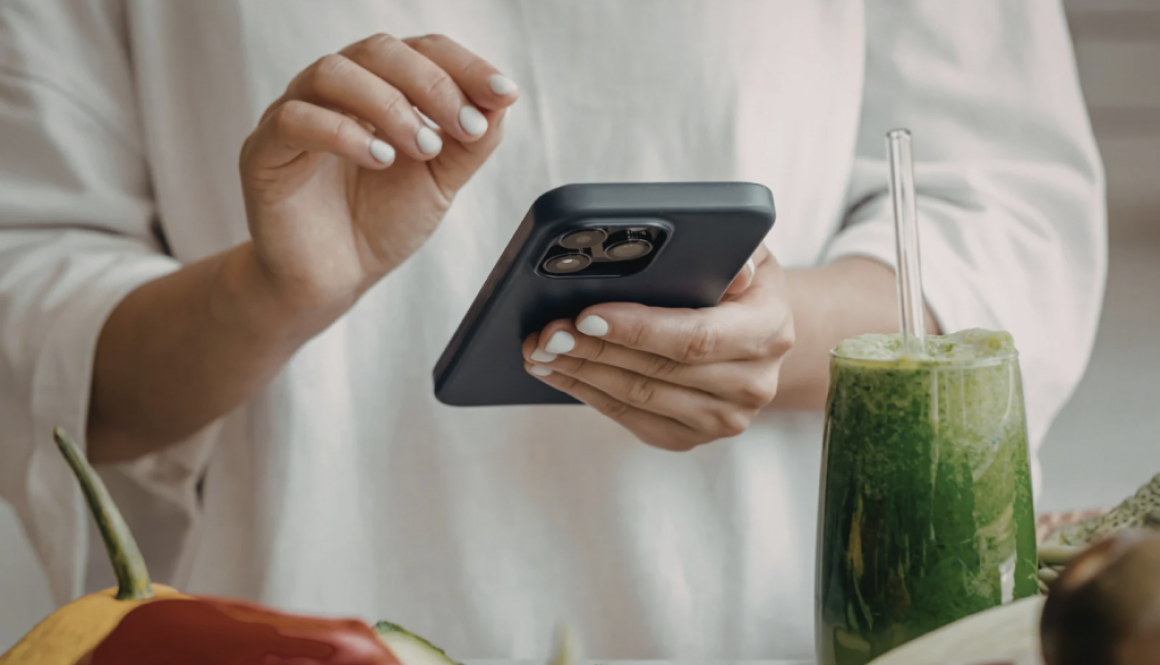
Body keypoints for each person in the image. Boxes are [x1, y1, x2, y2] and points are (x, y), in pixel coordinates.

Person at [0, 1, 1104, 660]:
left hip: (759, 624)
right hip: (283, 625)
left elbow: (1005, 221)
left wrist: (777, 333)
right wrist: (271, 287)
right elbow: (36, 326)